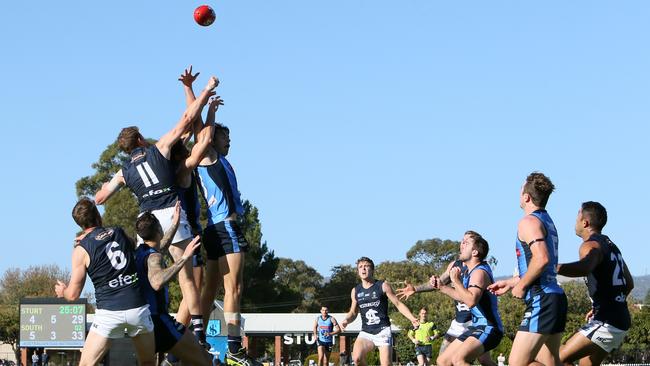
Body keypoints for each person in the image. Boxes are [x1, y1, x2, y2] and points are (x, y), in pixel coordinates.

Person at [94, 73, 219, 343]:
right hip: (171, 213)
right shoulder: (159, 149)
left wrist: (102, 189)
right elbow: (186, 120)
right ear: (140, 139)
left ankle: (151, 322)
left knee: (151, 277)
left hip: (147, 224)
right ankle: (198, 335)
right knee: (186, 278)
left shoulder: (124, 171)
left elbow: (101, 198)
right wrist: (206, 91)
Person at [179, 69, 253, 366]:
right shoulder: (207, 154)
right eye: (226, 135)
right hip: (225, 226)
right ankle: (234, 349)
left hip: (213, 228)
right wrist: (196, 92)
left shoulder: (217, 159)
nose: (228, 140)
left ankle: (196, 342)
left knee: (209, 289)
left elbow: (200, 127)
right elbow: (196, 123)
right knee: (233, 288)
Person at [55, 198, 155, 366]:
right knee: (147, 362)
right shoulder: (118, 232)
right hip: (137, 308)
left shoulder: (80, 250)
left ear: (79, 224)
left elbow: (72, 295)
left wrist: (62, 291)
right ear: (98, 215)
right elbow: (132, 247)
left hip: (109, 313)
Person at [488, 172, 567, 366]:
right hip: (554, 296)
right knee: (549, 362)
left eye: (520, 190)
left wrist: (521, 285)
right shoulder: (547, 220)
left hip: (542, 299)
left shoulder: (528, 222)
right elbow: (544, 266)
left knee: (517, 363)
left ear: (526, 197)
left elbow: (541, 259)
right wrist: (511, 282)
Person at [134, 201, 213, 365]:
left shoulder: (140, 252)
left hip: (141, 323)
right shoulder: (153, 257)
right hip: (159, 322)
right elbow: (156, 282)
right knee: (205, 360)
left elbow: (161, 245)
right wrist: (184, 258)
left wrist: (175, 223)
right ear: (158, 230)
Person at [556, 202, 634, 366]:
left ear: (585, 222)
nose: (575, 221)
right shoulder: (612, 246)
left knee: (560, 358)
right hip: (619, 319)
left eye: (577, 216)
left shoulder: (590, 245)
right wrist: (607, 303)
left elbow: (585, 267)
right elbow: (629, 283)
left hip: (608, 321)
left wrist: (554, 268)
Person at [396, 261, 495, 366]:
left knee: (482, 360)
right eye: (462, 243)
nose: (462, 246)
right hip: (458, 323)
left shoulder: (479, 270)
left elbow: (472, 298)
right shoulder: (454, 265)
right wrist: (416, 289)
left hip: (474, 321)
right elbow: (438, 283)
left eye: (465, 243)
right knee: (443, 360)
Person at [435, 231, 503, 366]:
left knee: (459, 360)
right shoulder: (469, 272)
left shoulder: (479, 273)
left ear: (475, 252)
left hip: (489, 327)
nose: (461, 244)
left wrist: (456, 281)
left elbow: (471, 301)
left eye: (466, 243)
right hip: (477, 327)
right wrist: (442, 287)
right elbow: (462, 298)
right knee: (443, 361)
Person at [339, 257, 420, 366]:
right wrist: (346, 320)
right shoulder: (355, 291)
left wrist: (412, 318)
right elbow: (353, 312)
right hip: (366, 331)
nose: (363, 269)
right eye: (360, 267)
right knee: (357, 358)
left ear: (372, 270)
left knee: (386, 364)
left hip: (383, 330)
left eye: (366, 266)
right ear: (358, 271)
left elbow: (398, 304)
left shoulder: (382, 286)